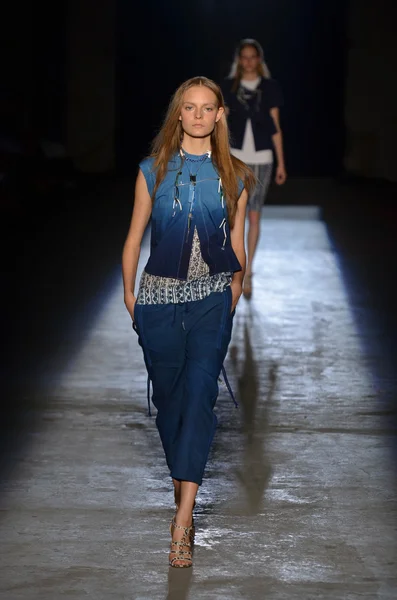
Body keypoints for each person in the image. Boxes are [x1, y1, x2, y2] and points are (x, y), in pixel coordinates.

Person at [122, 77, 255, 568]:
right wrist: (130, 296)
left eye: (207, 108)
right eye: (189, 108)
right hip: (157, 302)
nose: (198, 116)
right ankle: (185, 496)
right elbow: (134, 236)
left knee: (200, 395)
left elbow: (238, 244)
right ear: (178, 114)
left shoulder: (236, 175)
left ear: (219, 115)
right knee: (172, 405)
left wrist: (233, 293)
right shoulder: (152, 170)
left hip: (211, 300)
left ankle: (183, 517)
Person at [221, 38, 287, 298]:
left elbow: (276, 126)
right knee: (234, 215)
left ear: (259, 60)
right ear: (239, 59)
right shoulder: (228, 87)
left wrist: (281, 162)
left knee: (254, 215)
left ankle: (248, 271)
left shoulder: (270, 87)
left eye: (252, 56)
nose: (248, 61)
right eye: (244, 56)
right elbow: (221, 124)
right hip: (235, 156)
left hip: (262, 157)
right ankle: (234, 268)